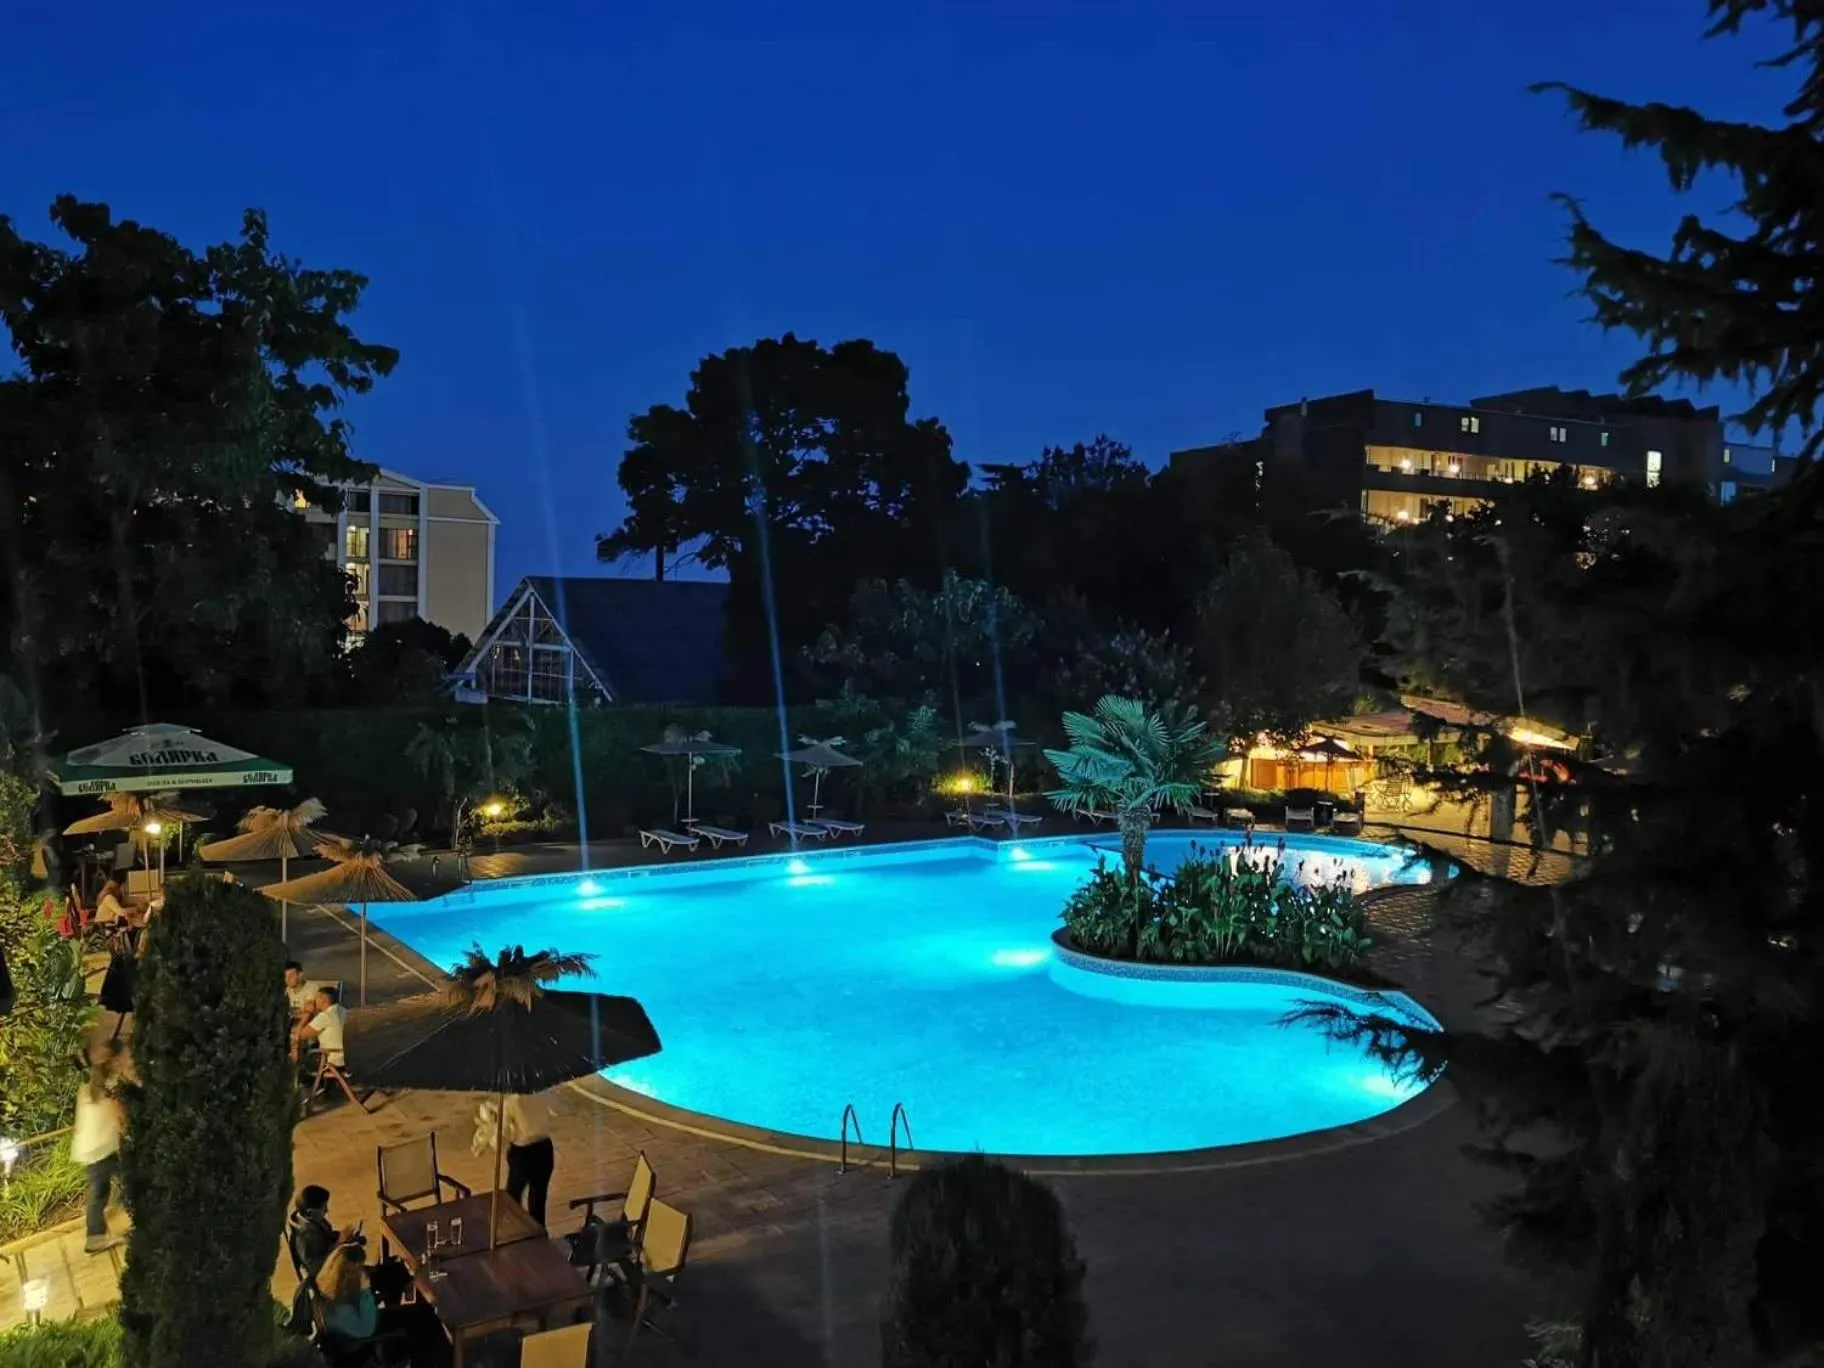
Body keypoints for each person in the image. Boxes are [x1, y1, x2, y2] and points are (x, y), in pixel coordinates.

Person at [475, 1090, 558, 1226]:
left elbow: (501, 1137)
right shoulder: (544, 1093)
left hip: (523, 1153)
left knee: (512, 1197)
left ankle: (515, 1230)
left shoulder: (511, 1103)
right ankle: (539, 1234)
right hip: (544, 1149)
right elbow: (555, 1110)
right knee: (538, 1198)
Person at [71, 1045, 125, 1253]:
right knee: (124, 1180)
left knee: (100, 1190)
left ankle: (96, 1236)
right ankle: (95, 1236)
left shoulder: (85, 1092)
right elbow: (120, 1118)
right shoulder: (107, 1095)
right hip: (102, 1150)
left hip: (90, 1150)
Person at [316, 1243, 381, 1340]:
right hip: (364, 1333)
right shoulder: (342, 1310)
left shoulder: (325, 1284)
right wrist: (365, 1293)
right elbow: (367, 1330)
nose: (362, 1272)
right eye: (359, 1269)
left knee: (391, 1272)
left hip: (356, 1318)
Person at [292, 984, 347, 1070]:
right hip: (345, 1057)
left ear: (323, 999)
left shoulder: (325, 1016)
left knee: (300, 1060)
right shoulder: (343, 1011)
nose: (314, 1001)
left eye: (317, 997)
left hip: (331, 1060)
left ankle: (302, 1081)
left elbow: (301, 1035)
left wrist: (307, 1015)